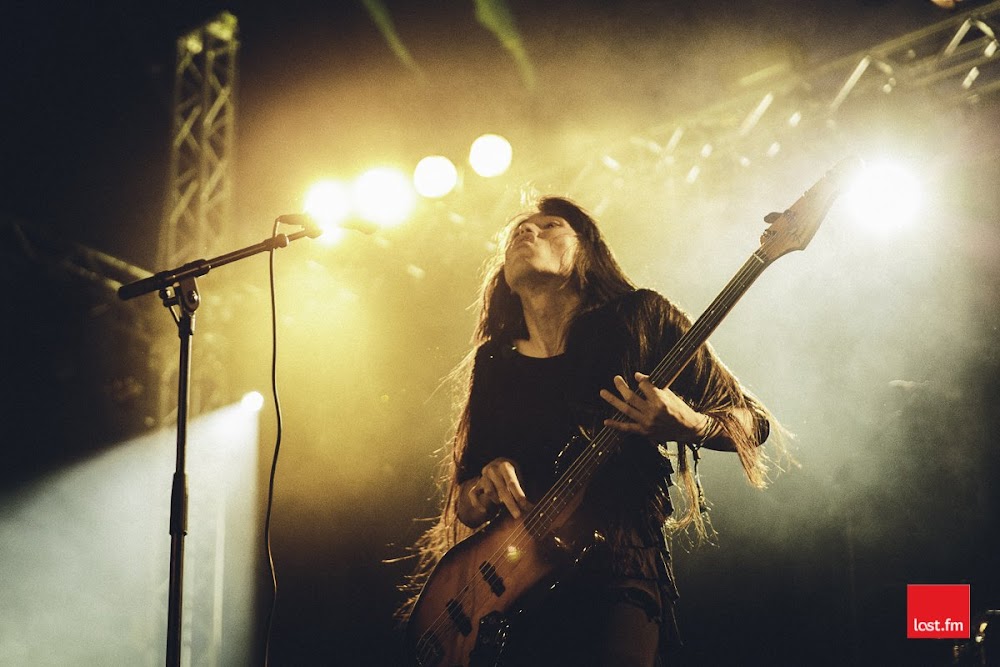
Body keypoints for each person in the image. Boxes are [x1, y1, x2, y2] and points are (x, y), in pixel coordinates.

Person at [403, 196, 774, 666]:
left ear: (586, 252)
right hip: (512, 588)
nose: (527, 232)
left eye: (550, 225)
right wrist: (483, 487)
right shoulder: (495, 360)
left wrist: (690, 422)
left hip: (616, 567)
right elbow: (466, 502)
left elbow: (752, 421)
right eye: (518, 230)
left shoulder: (641, 316)